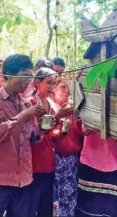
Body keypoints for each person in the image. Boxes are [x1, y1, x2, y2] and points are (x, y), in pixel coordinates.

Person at [0, 54, 45, 217]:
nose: (28, 81)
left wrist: (42, 128)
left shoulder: (25, 103)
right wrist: (24, 115)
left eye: (30, 76)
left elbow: (32, 138)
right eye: (24, 76)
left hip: (22, 179)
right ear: (8, 74)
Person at [27, 68, 73, 217]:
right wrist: (57, 118)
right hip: (33, 164)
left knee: (46, 208)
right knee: (30, 206)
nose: (52, 87)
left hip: (49, 163)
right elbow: (33, 135)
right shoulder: (30, 104)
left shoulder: (52, 104)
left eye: (54, 83)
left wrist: (61, 131)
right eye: (49, 83)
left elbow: (51, 135)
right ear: (37, 82)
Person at [52, 79, 84, 216]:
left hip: (70, 158)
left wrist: (78, 121)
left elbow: (79, 134)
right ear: (54, 89)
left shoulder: (72, 109)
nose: (66, 91)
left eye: (68, 88)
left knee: (69, 196)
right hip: (53, 158)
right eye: (62, 87)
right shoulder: (50, 107)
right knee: (53, 196)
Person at [76, 129, 117, 217]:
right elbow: (85, 130)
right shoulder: (88, 114)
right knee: (87, 207)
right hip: (91, 160)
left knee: (109, 208)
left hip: (111, 162)